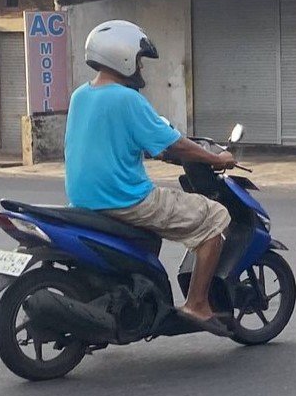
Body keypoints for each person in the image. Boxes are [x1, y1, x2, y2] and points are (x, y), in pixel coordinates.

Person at [64, 20, 238, 337]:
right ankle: (198, 304)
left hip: (84, 200)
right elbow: (175, 143)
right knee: (216, 216)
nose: (141, 67)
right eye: (140, 59)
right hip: (126, 200)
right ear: (124, 57)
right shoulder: (127, 99)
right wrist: (217, 158)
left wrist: (149, 149)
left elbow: (107, 140)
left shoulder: (80, 96)